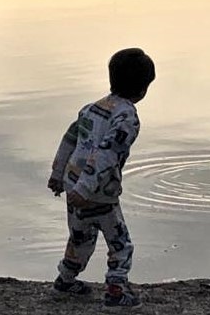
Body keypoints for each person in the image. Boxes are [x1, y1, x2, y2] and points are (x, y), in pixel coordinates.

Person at [47, 48, 155, 308]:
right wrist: (86, 188)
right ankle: (116, 290)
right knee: (120, 244)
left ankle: (65, 279)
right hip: (98, 192)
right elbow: (107, 154)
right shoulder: (127, 117)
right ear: (143, 89)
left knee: (79, 239)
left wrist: (58, 174)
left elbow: (69, 140)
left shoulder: (91, 109)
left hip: (74, 185)